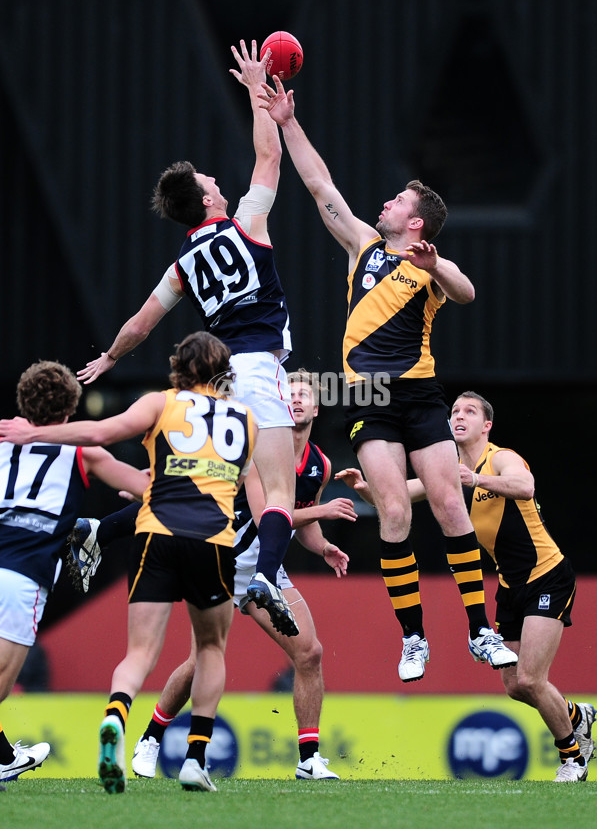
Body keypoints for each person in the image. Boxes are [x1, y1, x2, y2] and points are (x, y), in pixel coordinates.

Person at [257, 76, 517, 682]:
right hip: (369, 398)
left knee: (451, 502)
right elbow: (320, 187)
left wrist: (438, 265)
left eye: (398, 201)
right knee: (395, 514)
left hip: (421, 395)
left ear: (418, 222)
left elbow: (467, 292)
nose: (386, 204)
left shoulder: (430, 268)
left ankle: (481, 631)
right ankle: (414, 639)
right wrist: (288, 120)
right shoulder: (365, 247)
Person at [75, 39, 298, 637]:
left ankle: (101, 529)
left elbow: (141, 324)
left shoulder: (182, 262)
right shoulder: (245, 220)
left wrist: (107, 357)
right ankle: (268, 578)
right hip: (258, 366)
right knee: (279, 490)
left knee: (201, 483)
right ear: (206, 199)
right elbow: (269, 159)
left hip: (219, 385)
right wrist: (257, 94)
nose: (218, 179)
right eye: (209, 180)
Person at [0, 332, 257, 794]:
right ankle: (196, 758)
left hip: (156, 535)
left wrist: (33, 433)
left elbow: (102, 432)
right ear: (223, 371)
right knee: (211, 649)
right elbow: (228, 484)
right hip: (213, 540)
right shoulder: (247, 420)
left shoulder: (161, 403)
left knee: (138, 654)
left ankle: (116, 721)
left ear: (180, 366)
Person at [70, 369, 353, 780]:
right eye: (287, 392)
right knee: (199, 662)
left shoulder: (319, 464)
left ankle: (309, 757)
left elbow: (299, 523)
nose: (294, 400)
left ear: (316, 406)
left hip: (267, 567)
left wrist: (323, 544)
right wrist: (321, 511)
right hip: (224, 557)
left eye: (303, 394)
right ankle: (151, 738)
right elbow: (268, 514)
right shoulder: (255, 445)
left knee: (309, 653)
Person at [338, 390, 597, 782]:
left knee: (529, 678)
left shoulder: (500, 457)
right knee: (513, 684)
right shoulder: (449, 468)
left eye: (470, 411)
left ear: (486, 425)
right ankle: (578, 714)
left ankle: (573, 758)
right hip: (510, 585)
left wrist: (475, 478)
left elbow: (525, 486)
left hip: (548, 575)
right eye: (454, 411)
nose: (459, 416)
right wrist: (364, 489)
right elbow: (396, 496)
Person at [0, 360, 148, 787]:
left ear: (22, 403)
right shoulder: (84, 452)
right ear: (70, 412)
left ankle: (6, 757)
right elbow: (154, 492)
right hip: (22, 579)